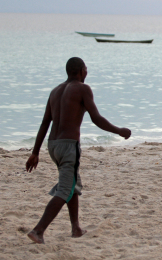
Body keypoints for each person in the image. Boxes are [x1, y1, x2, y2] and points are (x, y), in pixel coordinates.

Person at [25, 57, 131, 244]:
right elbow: (96, 118)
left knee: (73, 184)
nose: (87, 73)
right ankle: (38, 230)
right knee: (65, 189)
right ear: (81, 71)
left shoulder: (55, 91)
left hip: (53, 145)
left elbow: (44, 123)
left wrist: (35, 152)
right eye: (86, 70)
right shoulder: (83, 89)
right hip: (68, 146)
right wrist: (119, 131)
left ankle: (76, 228)